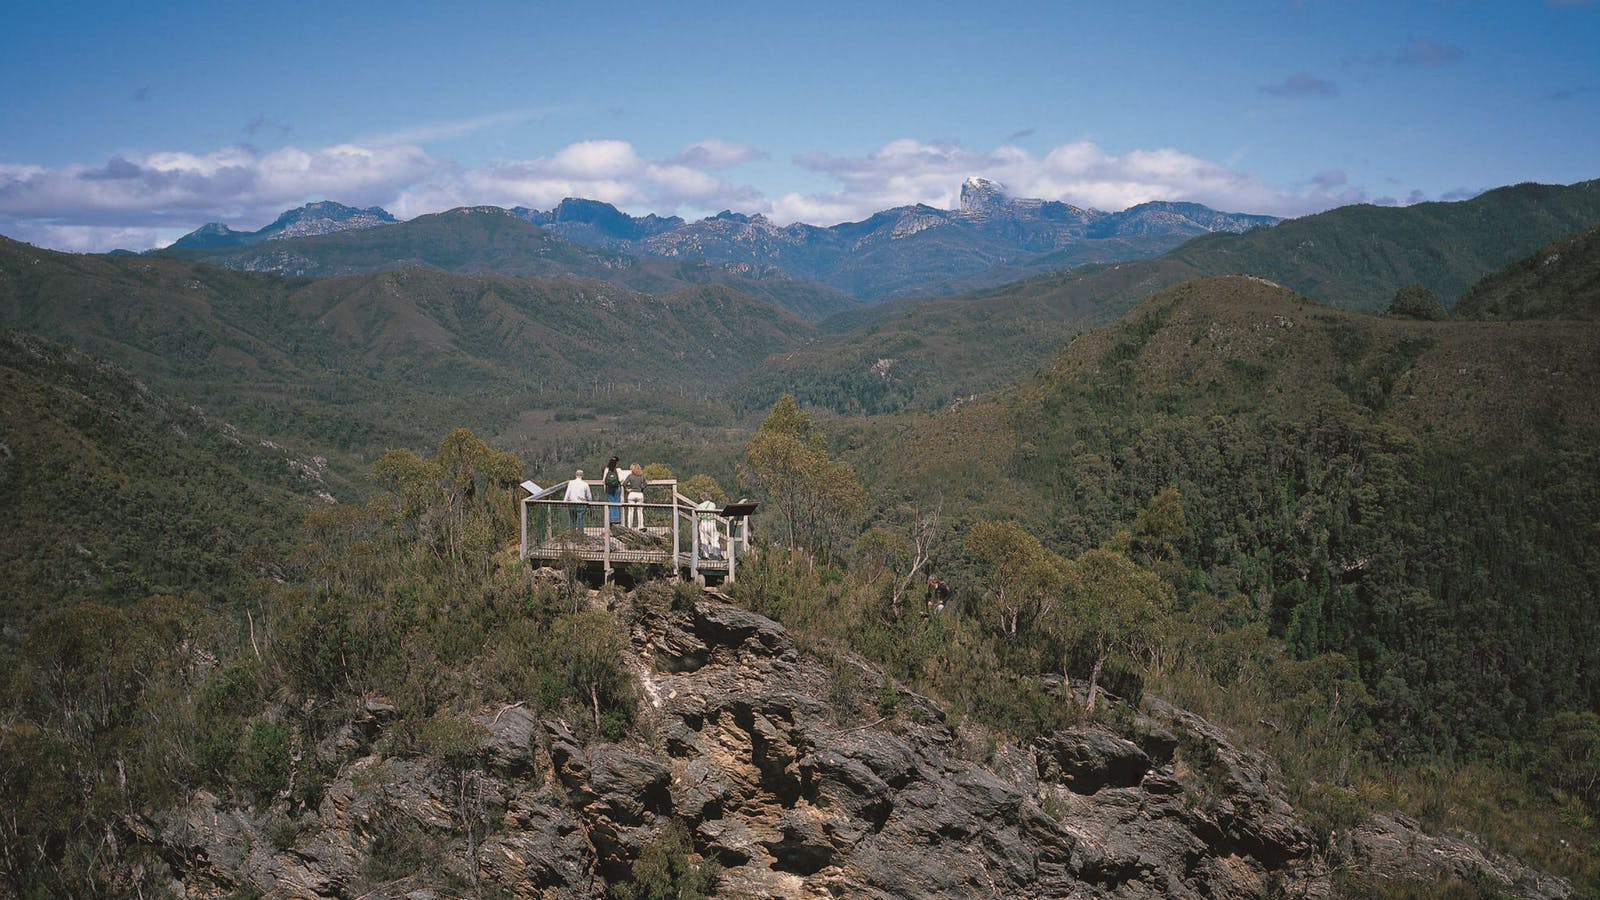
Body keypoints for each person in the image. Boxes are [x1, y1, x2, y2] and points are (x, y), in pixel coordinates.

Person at [696, 493, 720, 558]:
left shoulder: (700, 506)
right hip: (711, 522)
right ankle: (716, 554)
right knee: (714, 539)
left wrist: (698, 521)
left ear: (702, 498)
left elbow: (699, 517)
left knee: (704, 540)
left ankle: (705, 555)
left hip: (703, 523)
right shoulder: (713, 505)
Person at [602, 456, 624, 525]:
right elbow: (621, 479)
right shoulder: (618, 470)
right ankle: (617, 520)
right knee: (617, 503)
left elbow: (604, 480)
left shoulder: (607, 469)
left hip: (609, 488)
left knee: (611, 503)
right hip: (617, 488)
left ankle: (611, 520)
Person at [624, 463, 647, 529]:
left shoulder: (630, 476)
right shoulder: (641, 476)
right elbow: (645, 484)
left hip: (632, 494)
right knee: (640, 511)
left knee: (631, 511)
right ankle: (640, 526)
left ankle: (629, 527)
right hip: (639, 494)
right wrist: (641, 488)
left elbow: (624, 483)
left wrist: (627, 489)